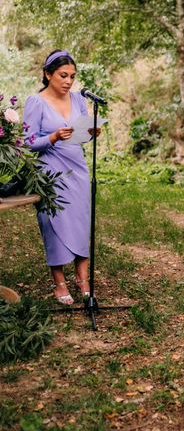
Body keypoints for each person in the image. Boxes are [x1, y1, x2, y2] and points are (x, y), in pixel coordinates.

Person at [24, 50, 100, 305]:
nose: (68, 81)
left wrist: (91, 133)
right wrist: (53, 137)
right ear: (48, 74)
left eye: (72, 76)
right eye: (63, 75)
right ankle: (59, 282)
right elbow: (27, 142)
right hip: (49, 171)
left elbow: (80, 135)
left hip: (77, 168)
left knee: (80, 222)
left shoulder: (78, 99)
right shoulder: (36, 102)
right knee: (53, 223)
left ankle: (83, 279)